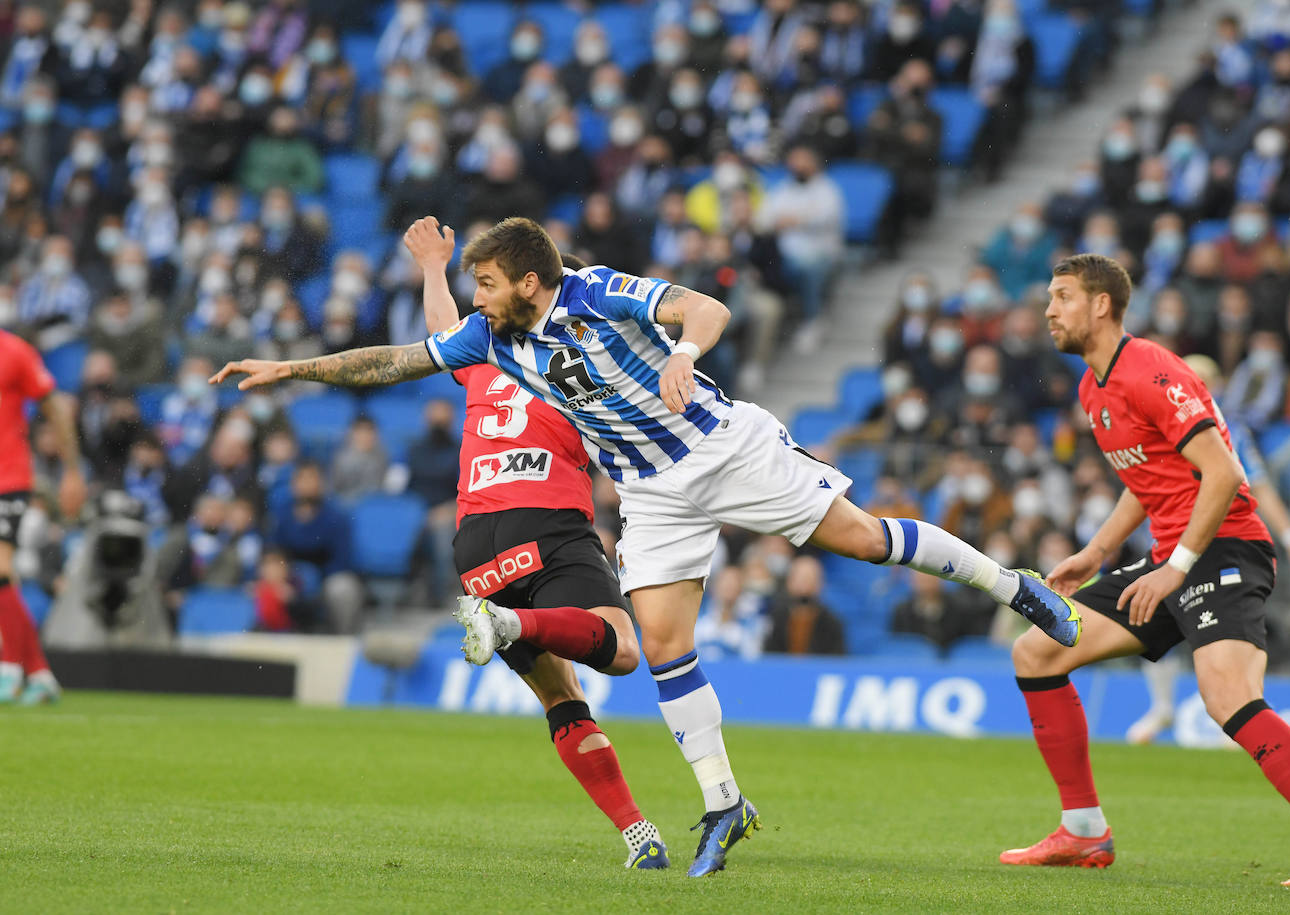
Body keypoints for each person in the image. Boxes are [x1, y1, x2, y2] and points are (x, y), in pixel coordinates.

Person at [210, 216, 1081, 878]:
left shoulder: (595, 291)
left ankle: (1014, 584)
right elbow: (398, 361)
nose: (475, 297)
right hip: (654, 492)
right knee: (660, 648)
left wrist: (688, 349)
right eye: (470, 284)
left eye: (484, 282)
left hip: (722, 447)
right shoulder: (492, 335)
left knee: (861, 539)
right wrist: (292, 370)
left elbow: (705, 304)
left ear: (525, 279)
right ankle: (724, 804)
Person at [1002, 253, 1290, 887]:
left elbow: (1225, 474)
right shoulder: (1094, 387)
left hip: (1224, 547)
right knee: (1036, 652)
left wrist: (1176, 566)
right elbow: (1146, 481)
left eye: (1061, 297)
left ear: (1100, 305)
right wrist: (1096, 551)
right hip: (1171, 556)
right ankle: (1084, 831)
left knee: (1227, 695)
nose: (1049, 310)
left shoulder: (1150, 368)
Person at [428, 250, 668, 871]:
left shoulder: (480, 358)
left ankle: (637, 831)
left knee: (562, 699)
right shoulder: (578, 370)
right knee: (619, 652)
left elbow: (438, 335)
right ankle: (511, 624)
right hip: (549, 521)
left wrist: (433, 264)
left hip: (476, 548)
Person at [1125, 353, 1290, 745]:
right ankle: (1162, 706)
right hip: (1164, 543)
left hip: (1217, 545)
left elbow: (1257, 485)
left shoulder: (1229, 432)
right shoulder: (1159, 424)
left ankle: (1238, 710)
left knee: (1223, 630)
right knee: (1145, 620)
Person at [0, 328, 85, 703]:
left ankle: (9, 668)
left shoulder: (14, 352)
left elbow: (55, 409)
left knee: (0, 569)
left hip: (8, 477)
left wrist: (71, 470)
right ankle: (38, 672)